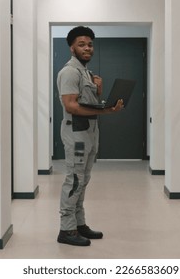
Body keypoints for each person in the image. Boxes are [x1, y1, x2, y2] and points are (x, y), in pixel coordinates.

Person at [56, 26, 124, 246]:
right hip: (76, 131)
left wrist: (101, 93)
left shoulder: (86, 73)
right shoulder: (69, 72)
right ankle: (66, 230)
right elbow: (71, 106)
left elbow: (88, 104)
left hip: (89, 131)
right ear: (72, 47)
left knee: (83, 179)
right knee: (74, 179)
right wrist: (107, 110)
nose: (87, 48)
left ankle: (78, 223)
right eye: (81, 44)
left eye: (90, 44)